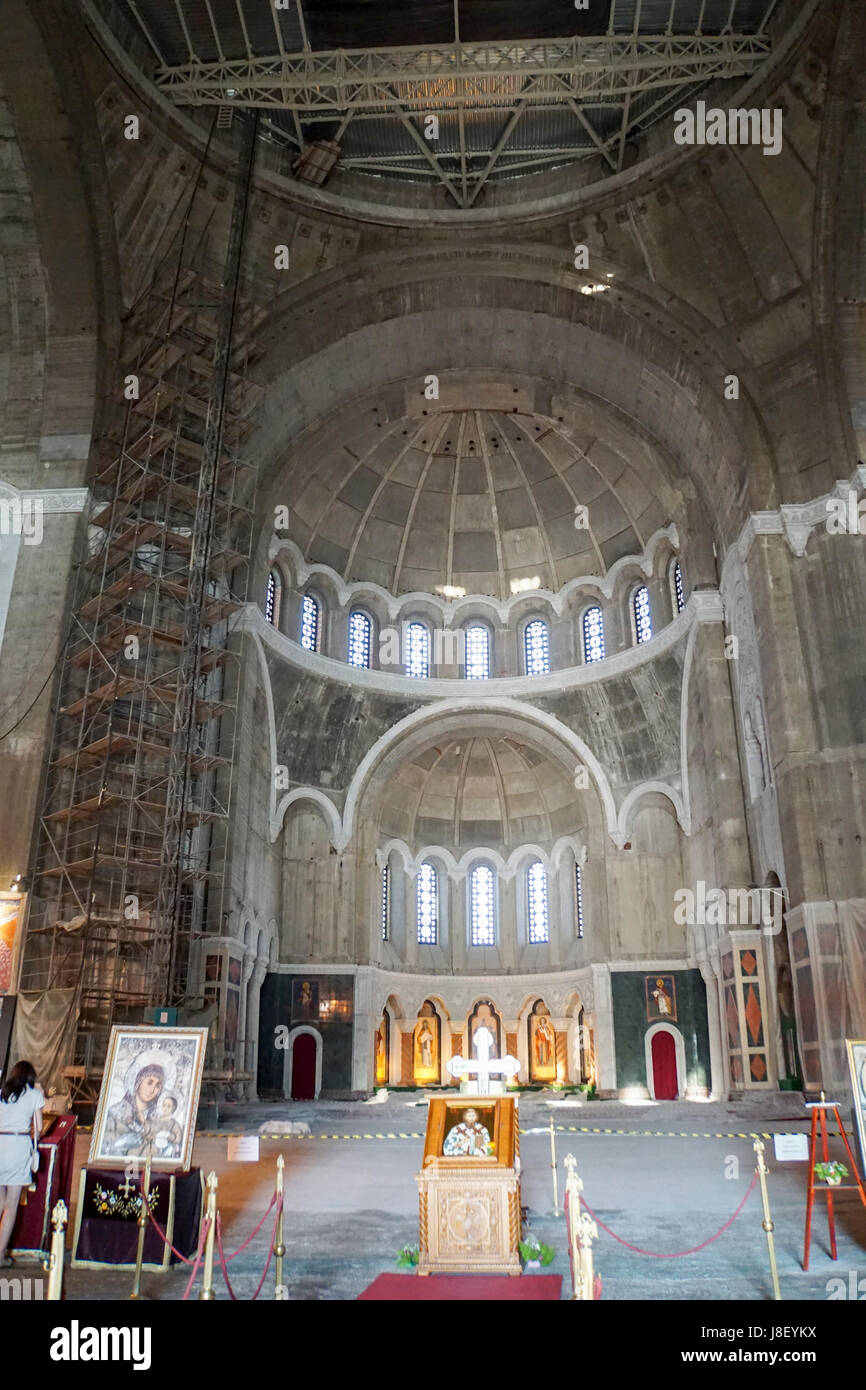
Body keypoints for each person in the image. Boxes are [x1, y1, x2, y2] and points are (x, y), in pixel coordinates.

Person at [0, 1060, 44, 1268]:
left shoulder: (3, 1092)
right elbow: (39, 1127)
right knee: (11, 1205)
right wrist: (40, 1092)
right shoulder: (34, 1095)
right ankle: (0, 1255)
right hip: (17, 1146)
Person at [103, 1061, 166, 1159]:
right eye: (149, 1083)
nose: (152, 1090)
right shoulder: (116, 1113)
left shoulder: (157, 1118)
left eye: (157, 1086)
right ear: (138, 1082)